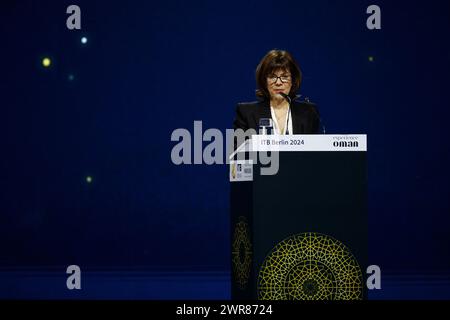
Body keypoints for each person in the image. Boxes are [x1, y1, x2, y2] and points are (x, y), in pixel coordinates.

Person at [233, 49, 320, 135]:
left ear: (293, 80)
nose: (278, 82)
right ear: (264, 81)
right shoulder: (247, 113)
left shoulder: (309, 112)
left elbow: (317, 147)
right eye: (272, 77)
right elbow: (239, 148)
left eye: (284, 77)